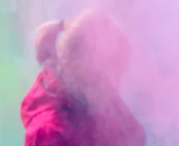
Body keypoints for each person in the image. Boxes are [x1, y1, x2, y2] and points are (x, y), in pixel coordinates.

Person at [20, 11, 146, 146]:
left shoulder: (99, 100)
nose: (116, 85)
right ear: (83, 73)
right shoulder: (49, 133)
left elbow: (133, 135)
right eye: (110, 77)